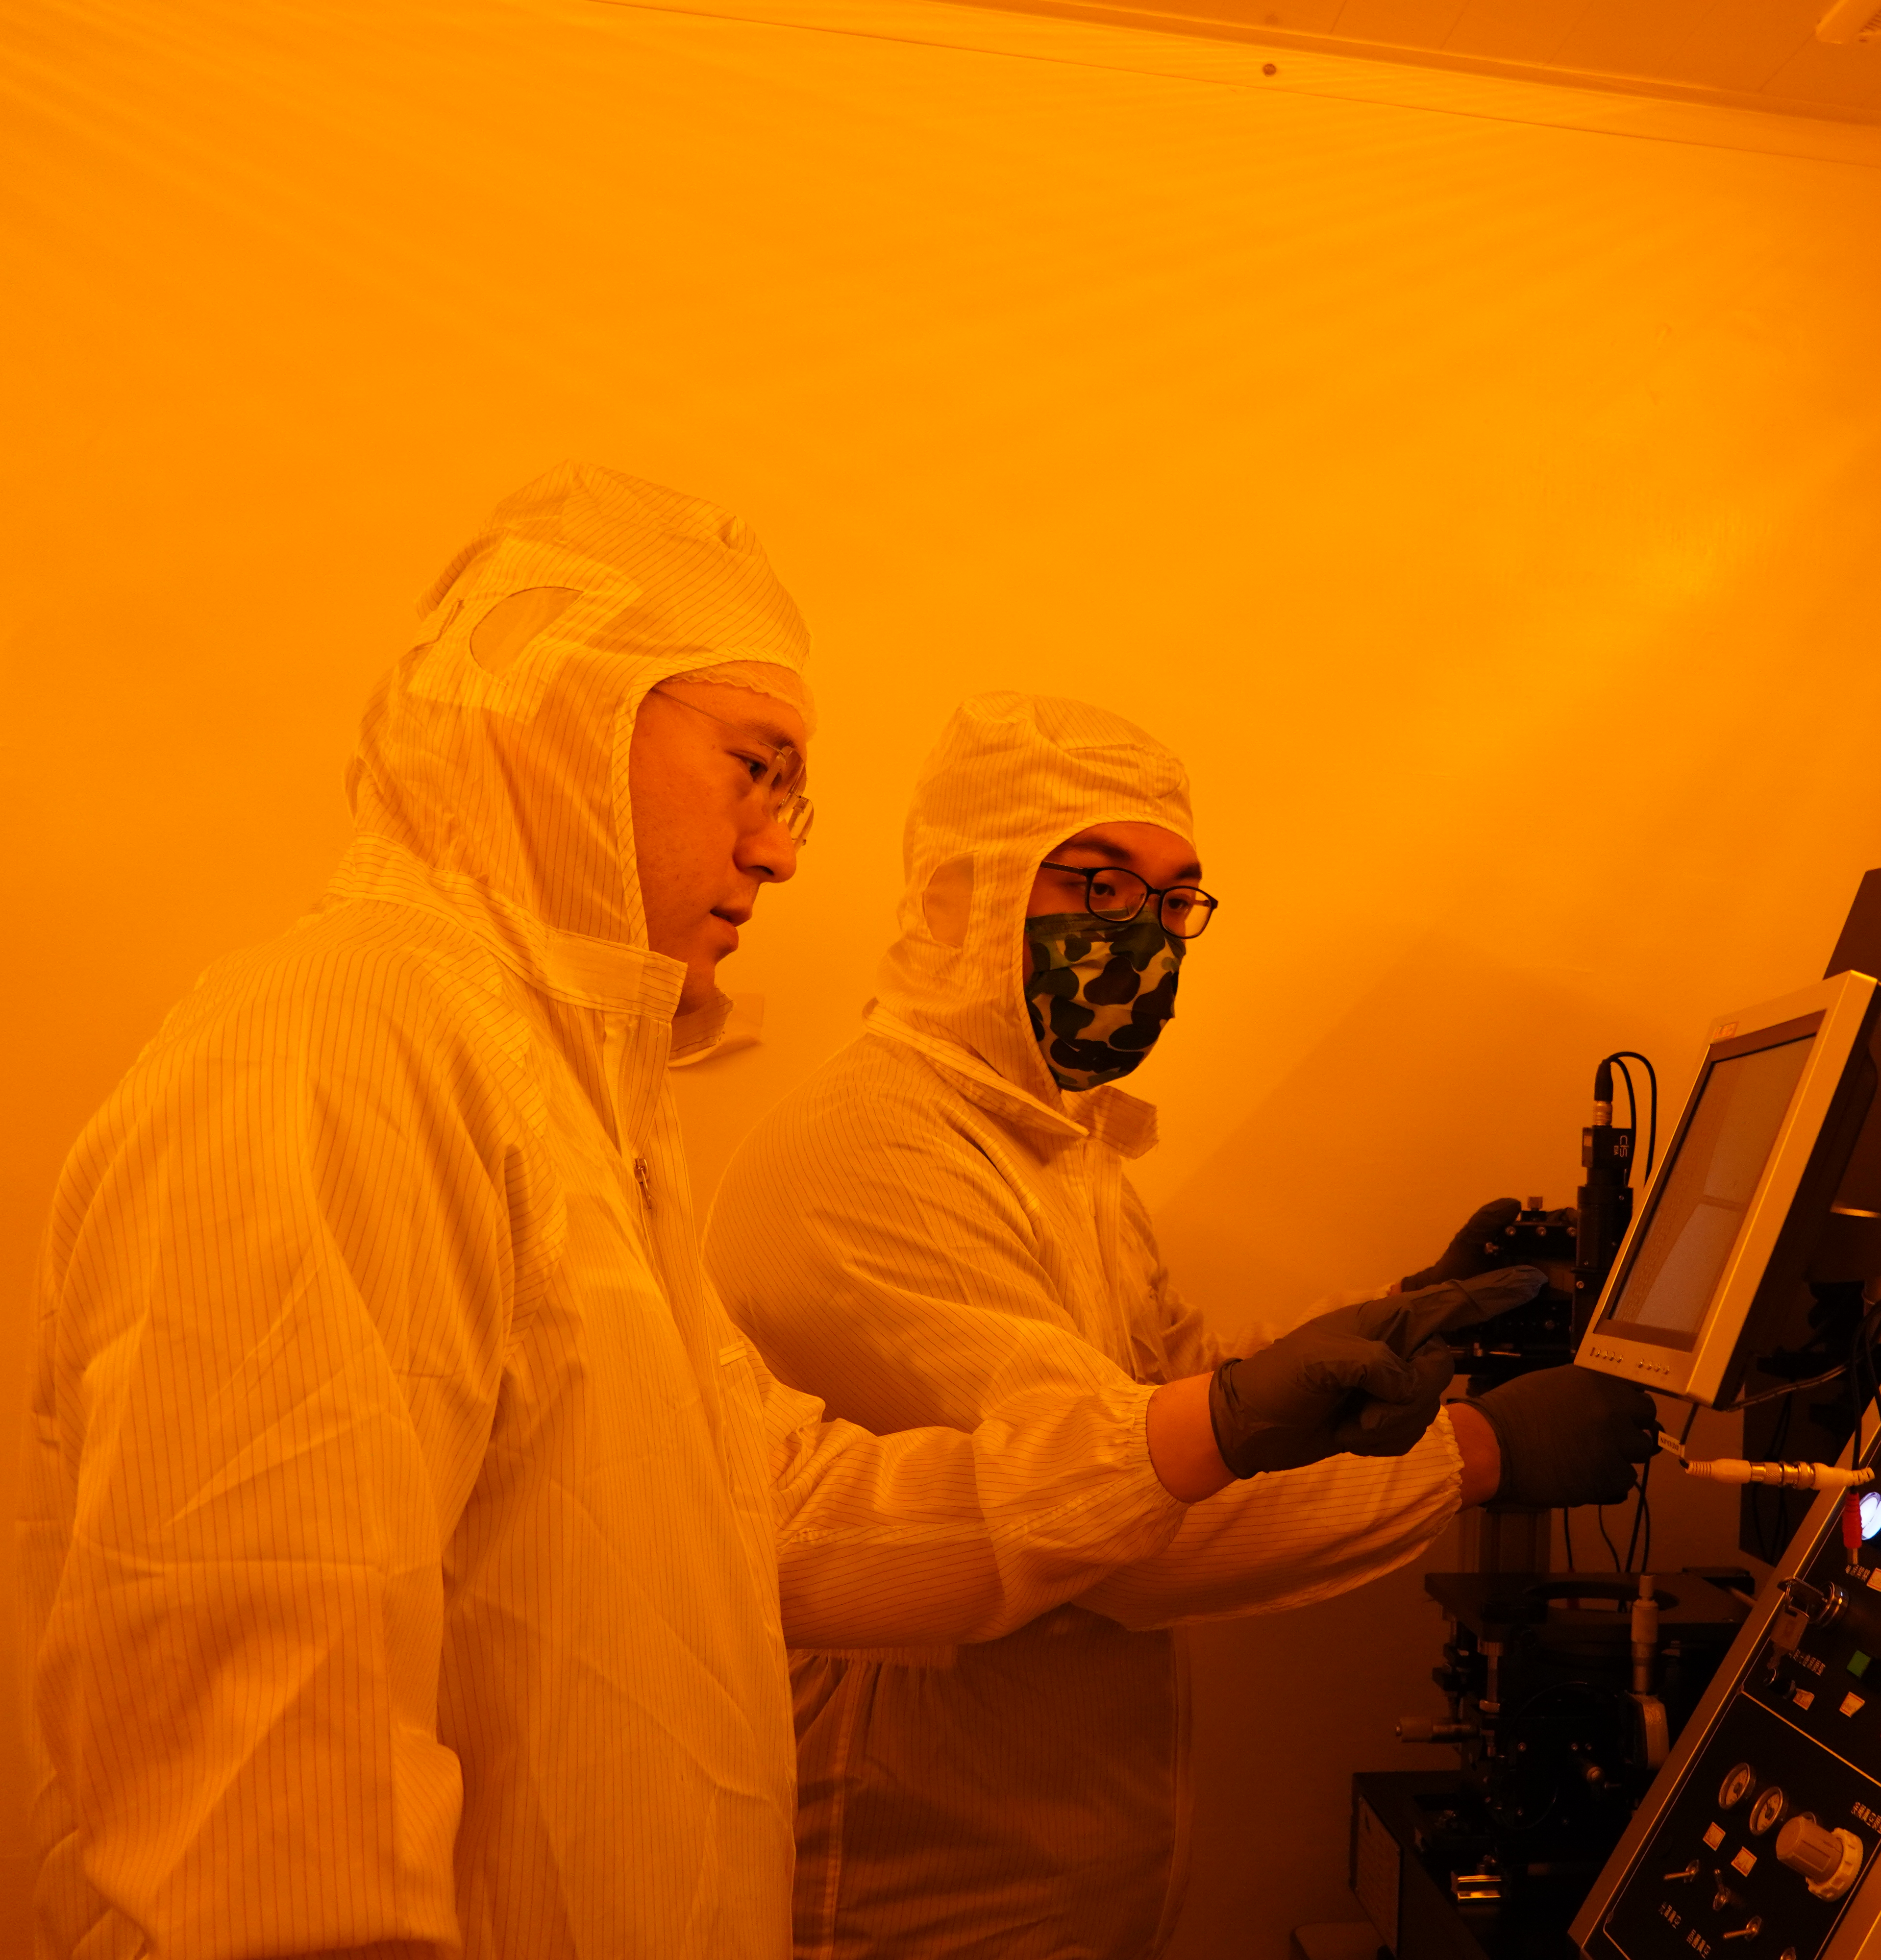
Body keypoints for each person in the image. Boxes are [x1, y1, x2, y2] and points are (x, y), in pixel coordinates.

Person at [17, 468, 1501, 1960]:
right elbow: (265, 1805)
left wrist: (1219, 1425)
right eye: (756, 766)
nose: (786, 850)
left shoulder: (566, 1103)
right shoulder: (336, 1057)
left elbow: (779, 1514)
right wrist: (1471, 1454)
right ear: (561, 722)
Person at [704, 692, 1664, 1960]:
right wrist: (1477, 1453)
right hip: (916, 1886)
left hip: (1051, 1860)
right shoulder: (880, 1153)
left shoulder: (1057, 1145)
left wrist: (1390, 1323)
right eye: (1096, 890)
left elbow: (1169, 1389)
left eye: (1169, 903)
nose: (1142, 939)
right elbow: (1124, 1518)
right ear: (962, 899)